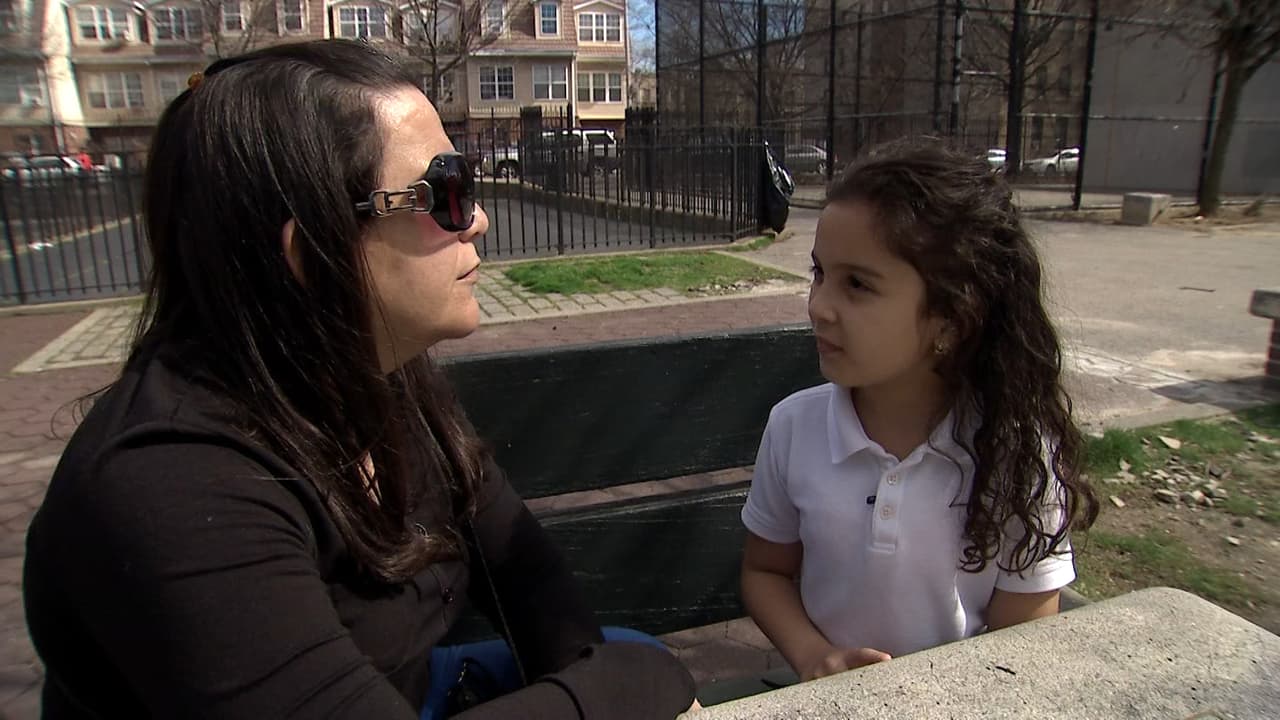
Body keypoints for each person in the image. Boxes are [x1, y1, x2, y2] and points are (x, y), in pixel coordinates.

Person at [23, 40, 695, 719]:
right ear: (313, 250)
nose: (480, 219)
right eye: (447, 192)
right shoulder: (171, 486)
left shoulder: (383, 374)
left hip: (410, 691)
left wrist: (608, 678)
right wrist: (614, 691)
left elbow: (535, 591)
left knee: (625, 656)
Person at [740, 138, 1099, 683]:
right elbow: (764, 570)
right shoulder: (795, 426)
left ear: (952, 319)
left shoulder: (1016, 449)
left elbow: (1024, 638)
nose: (818, 305)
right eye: (819, 274)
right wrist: (815, 656)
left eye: (857, 284)